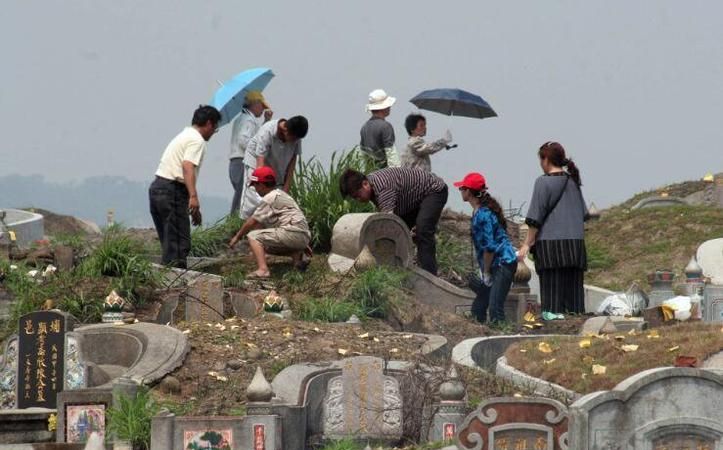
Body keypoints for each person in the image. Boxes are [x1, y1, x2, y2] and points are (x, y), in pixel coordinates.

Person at [517, 141, 589, 314]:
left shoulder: (543, 182)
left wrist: (527, 244)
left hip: (551, 247)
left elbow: (535, 219)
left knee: (552, 303)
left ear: (546, 160)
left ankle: (554, 330)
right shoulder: (573, 181)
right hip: (576, 246)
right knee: (575, 301)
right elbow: (584, 215)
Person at [149, 105, 221, 268]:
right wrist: (194, 197)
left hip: (158, 188)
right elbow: (187, 166)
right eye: (215, 128)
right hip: (172, 189)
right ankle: (175, 283)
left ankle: (167, 275)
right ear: (209, 123)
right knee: (179, 245)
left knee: (170, 241)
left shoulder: (184, 135)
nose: (213, 133)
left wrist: (192, 204)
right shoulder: (197, 140)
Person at [339, 167, 447, 275]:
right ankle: (402, 268)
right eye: (354, 198)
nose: (358, 200)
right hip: (411, 199)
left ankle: (429, 275)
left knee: (423, 230)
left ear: (365, 184)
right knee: (402, 233)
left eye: (358, 195)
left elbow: (388, 224)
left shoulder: (383, 188)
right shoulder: (372, 185)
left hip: (433, 191)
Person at [454, 172, 518, 324]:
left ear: (469, 191)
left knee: (495, 307)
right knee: (478, 307)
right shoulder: (479, 211)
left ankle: (502, 336)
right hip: (494, 264)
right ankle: (482, 331)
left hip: (503, 263)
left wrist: (486, 272)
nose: (461, 192)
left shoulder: (483, 214)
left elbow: (489, 247)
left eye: (462, 188)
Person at [228, 166, 312, 278]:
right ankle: (296, 256)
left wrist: (236, 237)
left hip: (292, 233)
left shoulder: (269, 198)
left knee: (253, 236)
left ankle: (263, 270)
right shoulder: (282, 194)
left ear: (262, 185)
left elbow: (252, 222)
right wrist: (302, 242)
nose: (256, 189)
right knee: (265, 247)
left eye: (255, 185)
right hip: (303, 236)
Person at [239, 116, 309, 219]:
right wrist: (262, 187)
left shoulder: (296, 137)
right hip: (256, 164)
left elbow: (292, 162)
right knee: (255, 197)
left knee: (277, 199)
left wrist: (286, 187)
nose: (294, 141)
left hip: (277, 165)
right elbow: (260, 163)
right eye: (293, 139)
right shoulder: (267, 132)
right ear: (285, 130)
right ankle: (245, 224)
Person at [228, 91, 273, 214]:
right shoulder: (248, 120)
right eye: (262, 106)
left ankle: (238, 218)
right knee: (242, 193)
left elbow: (257, 136)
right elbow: (244, 140)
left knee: (244, 192)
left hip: (236, 162)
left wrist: (266, 121)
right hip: (241, 162)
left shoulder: (244, 119)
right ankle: (235, 218)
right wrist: (256, 151)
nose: (262, 110)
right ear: (255, 104)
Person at [359, 89, 400, 169]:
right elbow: (391, 153)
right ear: (383, 108)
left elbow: (363, 154)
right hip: (384, 172)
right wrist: (397, 173)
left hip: (370, 172)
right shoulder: (386, 126)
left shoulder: (364, 127)